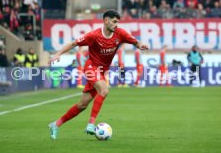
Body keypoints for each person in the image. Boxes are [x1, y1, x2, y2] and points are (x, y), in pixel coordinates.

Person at [48, 10, 149, 139]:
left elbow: (135, 41)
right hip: (91, 67)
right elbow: (74, 43)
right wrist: (58, 54)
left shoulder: (120, 33)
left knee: (82, 105)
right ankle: (91, 125)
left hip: (101, 72)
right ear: (106, 21)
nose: (116, 24)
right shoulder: (93, 35)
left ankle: (55, 124)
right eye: (114, 22)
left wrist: (140, 45)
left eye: (117, 22)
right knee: (104, 89)